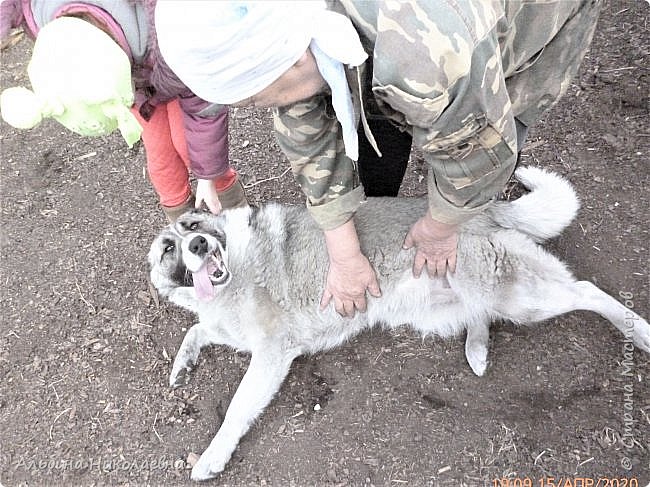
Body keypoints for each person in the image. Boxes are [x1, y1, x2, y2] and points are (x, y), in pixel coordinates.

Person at [154, 0, 601, 317]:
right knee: (381, 114)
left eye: (248, 100)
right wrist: (345, 253)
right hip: (416, 56)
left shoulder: (423, 61)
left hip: (523, 23)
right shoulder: (288, 29)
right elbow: (306, 135)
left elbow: (481, 148)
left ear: (286, 65)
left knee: (480, 115)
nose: (252, 108)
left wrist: (441, 227)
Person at [0, 0, 247, 222]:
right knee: (161, 154)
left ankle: (237, 211)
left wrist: (208, 174)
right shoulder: (37, 12)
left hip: (175, 70)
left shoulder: (173, 30)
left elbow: (203, 107)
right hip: (138, 85)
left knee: (190, 146)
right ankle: (182, 225)